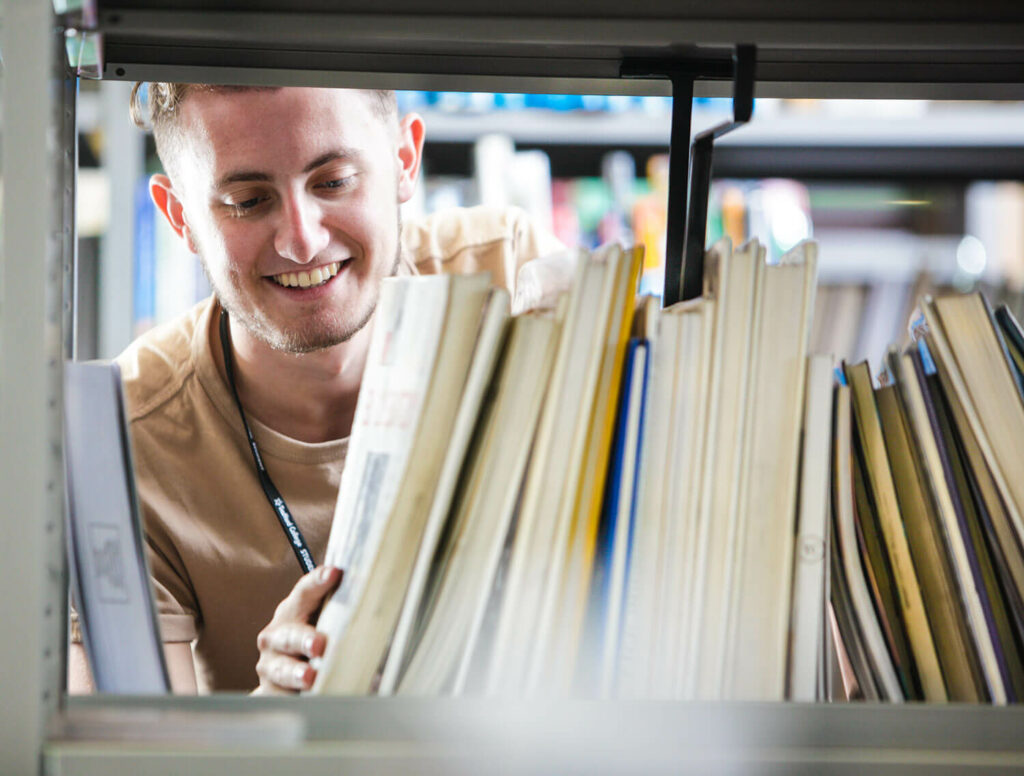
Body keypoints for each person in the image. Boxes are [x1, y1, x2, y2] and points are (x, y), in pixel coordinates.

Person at [68, 84, 566, 694]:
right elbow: (125, 758)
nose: (301, 240)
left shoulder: (512, 279)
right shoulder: (122, 441)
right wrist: (272, 714)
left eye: (333, 182)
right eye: (248, 201)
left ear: (405, 162)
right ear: (181, 219)